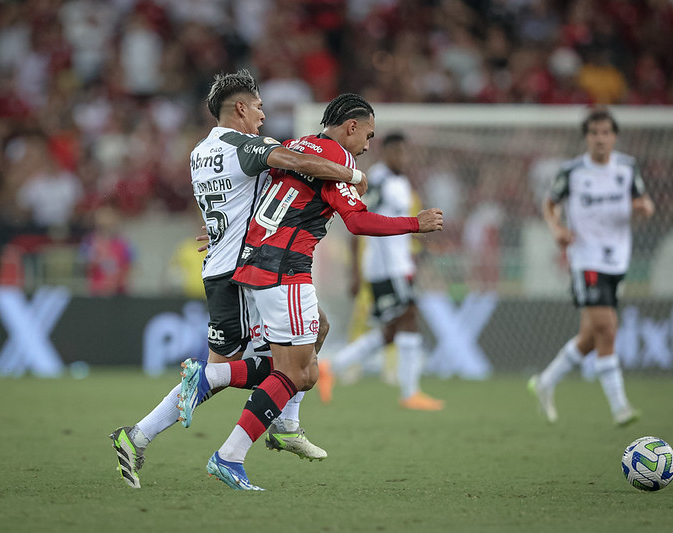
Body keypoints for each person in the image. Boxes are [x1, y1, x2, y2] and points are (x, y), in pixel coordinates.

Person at [109, 70, 367, 489]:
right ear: (241, 108)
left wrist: (219, 232)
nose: (264, 116)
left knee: (312, 333)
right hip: (246, 271)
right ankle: (263, 427)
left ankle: (139, 435)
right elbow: (297, 161)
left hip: (221, 266)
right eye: (260, 107)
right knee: (289, 367)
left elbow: (231, 200)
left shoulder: (199, 152)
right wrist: (353, 176)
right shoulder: (244, 145)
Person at [177, 93, 444, 491]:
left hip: (251, 264)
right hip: (286, 270)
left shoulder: (296, 146)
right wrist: (414, 224)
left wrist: (221, 232)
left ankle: (284, 423)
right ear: (351, 127)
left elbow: (255, 195)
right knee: (298, 372)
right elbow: (356, 222)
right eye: (368, 134)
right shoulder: (337, 160)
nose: (368, 144)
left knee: (318, 331)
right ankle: (227, 442)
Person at [528, 108, 654, 426]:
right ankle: (620, 408)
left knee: (589, 337)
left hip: (618, 260)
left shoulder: (627, 168)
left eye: (605, 132)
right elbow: (549, 203)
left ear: (614, 137)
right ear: (586, 137)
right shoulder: (572, 171)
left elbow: (643, 201)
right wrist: (556, 229)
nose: (600, 138)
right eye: (594, 132)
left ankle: (545, 382)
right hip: (586, 259)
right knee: (608, 329)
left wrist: (645, 208)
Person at [317, 132, 444, 411]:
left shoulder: (401, 182)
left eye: (404, 152)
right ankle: (410, 392)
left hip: (400, 265)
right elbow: (358, 221)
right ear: (385, 153)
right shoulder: (378, 180)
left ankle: (330, 367)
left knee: (392, 331)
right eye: (396, 152)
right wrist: (354, 272)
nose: (402, 157)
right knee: (408, 316)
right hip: (384, 267)